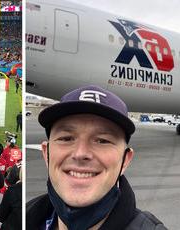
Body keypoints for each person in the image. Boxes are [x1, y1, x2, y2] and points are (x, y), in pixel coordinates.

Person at [26, 85, 167, 229]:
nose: (80, 153)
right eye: (66, 138)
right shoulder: (24, 216)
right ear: (46, 153)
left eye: (102, 141)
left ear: (125, 161)